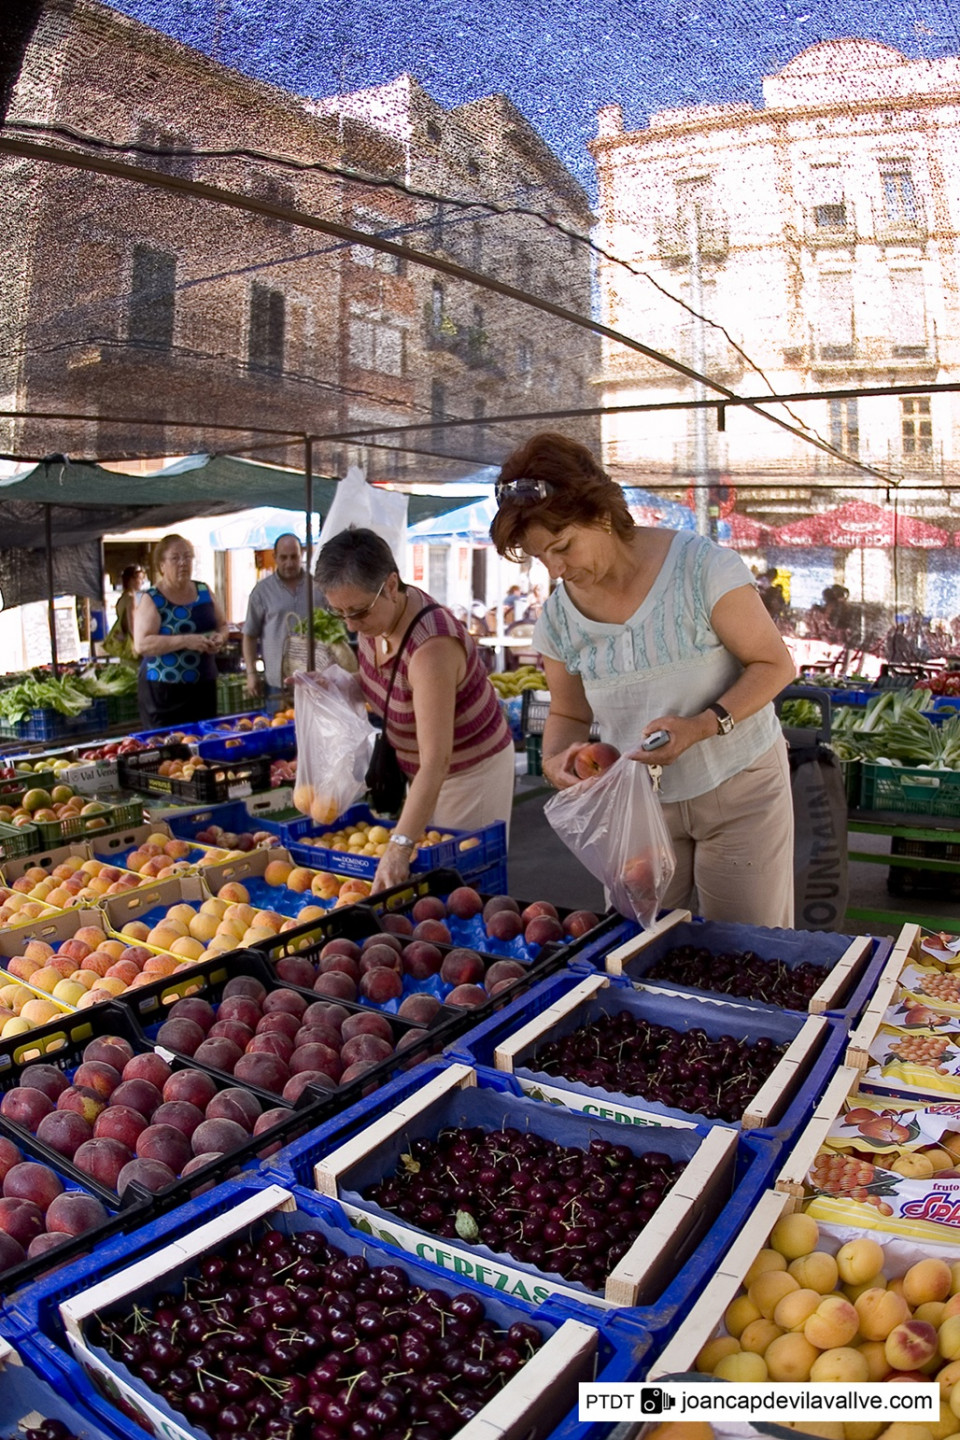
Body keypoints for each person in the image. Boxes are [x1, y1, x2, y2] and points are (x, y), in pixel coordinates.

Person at [490, 432, 797, 928]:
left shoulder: (700, 568)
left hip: (740, 789)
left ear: (602, 515)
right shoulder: (560, 619)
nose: (555, 568)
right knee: (641, 948)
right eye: (540, 555)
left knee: (748, 954)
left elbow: (774, 665)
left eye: (563, 546)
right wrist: (555, 765)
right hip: (637, 809)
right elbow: (569, 714)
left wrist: (701, 726)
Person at [314, 527, 515, 893]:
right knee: (430, 875)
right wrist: (335, 685)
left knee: (460, 885)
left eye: (357, 611)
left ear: (391, 585)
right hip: (421, 771)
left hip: (469, 773)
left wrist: (399, 845)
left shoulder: (432, 648)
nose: (350, 624)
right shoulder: (375, 621)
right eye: (339, 612)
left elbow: (436, 759)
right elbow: (382, 684)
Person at [133, 534, 228, 728]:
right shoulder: (152, 599)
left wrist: (220, 638)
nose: (183, 563)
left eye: (187, 557)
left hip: (203, 688)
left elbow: (223, 625)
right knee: (168, 749)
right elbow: (142, 644)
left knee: (202, 743)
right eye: (175, 558)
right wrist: (185, 641)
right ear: (161, 565)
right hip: (164, 692)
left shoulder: (203, 591)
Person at [242, 534, 310, 700]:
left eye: (294, 557)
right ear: (275, 557)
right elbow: (249, 635)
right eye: (283, 557)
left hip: (314, 682)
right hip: (277, 685)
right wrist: (251, 673)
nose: (289, 563)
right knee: (279, 723)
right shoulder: (262, 592)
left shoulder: (317, 587)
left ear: (302, 554)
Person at [116, 565, 144, 639]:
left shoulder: (122, 598)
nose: (142, 582)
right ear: (131, 580)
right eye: (140, 578)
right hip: (131, 642)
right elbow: (132, 627)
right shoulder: (131, 599)